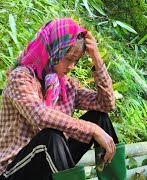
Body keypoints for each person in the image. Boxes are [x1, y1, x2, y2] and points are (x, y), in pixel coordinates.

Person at [0, 18, 118, 180]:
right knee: (51, 137)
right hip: (14, 169)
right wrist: (91, 129)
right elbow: (40, 116)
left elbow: (106, 104)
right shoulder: (20, 78)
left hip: (51, 162)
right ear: (53, 50)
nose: (71, 67)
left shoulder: (67, 85)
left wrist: (97, 60)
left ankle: (117, 177)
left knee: (99, 117)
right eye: (68, 59)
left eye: (75, 61)